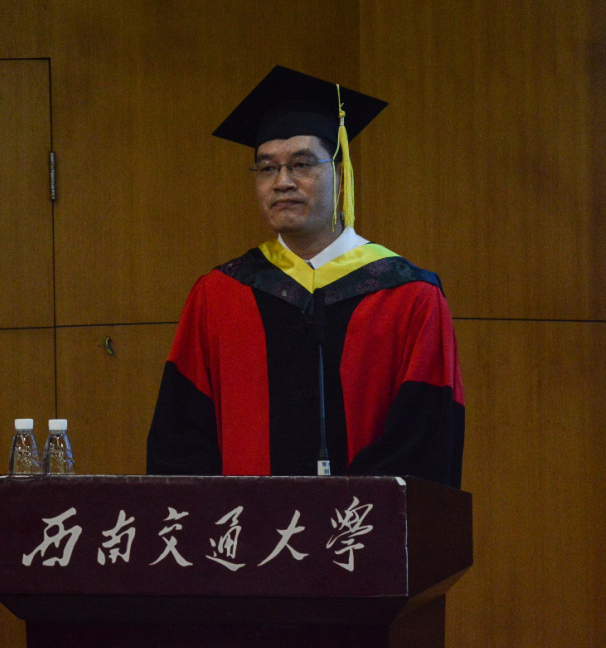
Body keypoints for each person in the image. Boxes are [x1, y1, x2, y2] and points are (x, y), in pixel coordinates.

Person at [146, 66, 464, 487]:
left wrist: (346, 511)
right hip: (246, 525)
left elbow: (425, 440)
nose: (282, 182)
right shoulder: (220, 295)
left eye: (301, 164)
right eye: (266, 168)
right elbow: (180, 441)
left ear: (341, 172)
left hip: (361, 525)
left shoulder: (409, 296)